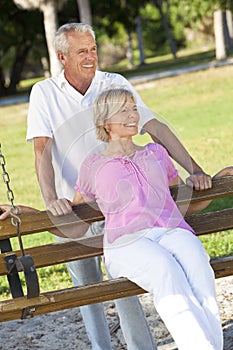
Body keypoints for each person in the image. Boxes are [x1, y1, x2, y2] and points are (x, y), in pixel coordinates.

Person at [23, 22, 214, 349]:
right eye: (81, 51)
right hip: (79, 204)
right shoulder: (45, 93)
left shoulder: (114, 84)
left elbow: (155, 128)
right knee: (88, 291)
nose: (91, 56)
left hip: (124, 209)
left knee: (128, 287)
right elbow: (42, 147)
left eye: (93, 48)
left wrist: (195, 169)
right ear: (61, 57)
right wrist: (52, 199)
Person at [1, 88, 232, 349]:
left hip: (172, 231)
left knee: (199, 265)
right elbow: (76, 226)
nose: (133, 114)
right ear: (105, 121)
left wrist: (209, 178)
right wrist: (24, 211)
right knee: (165, 270)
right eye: (123, 110)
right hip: (127, 242)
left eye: (134, 108)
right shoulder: (93, 165)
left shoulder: (156, 153)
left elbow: (181, 205)